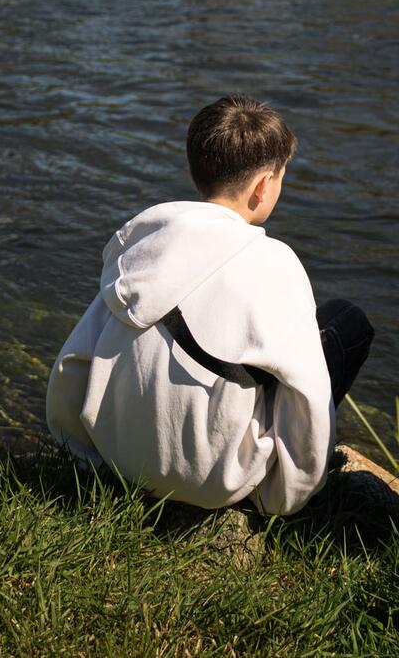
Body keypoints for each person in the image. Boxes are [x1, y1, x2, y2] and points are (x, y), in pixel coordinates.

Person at [45, 96, 372, 515]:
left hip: (120, 460)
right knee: (345, 324)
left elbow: (72, 363)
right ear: (263, 187)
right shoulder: (275, 264)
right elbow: (306, 395)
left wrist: (86, 454)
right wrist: (283, 498)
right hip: (215, 481)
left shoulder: (141, 248)